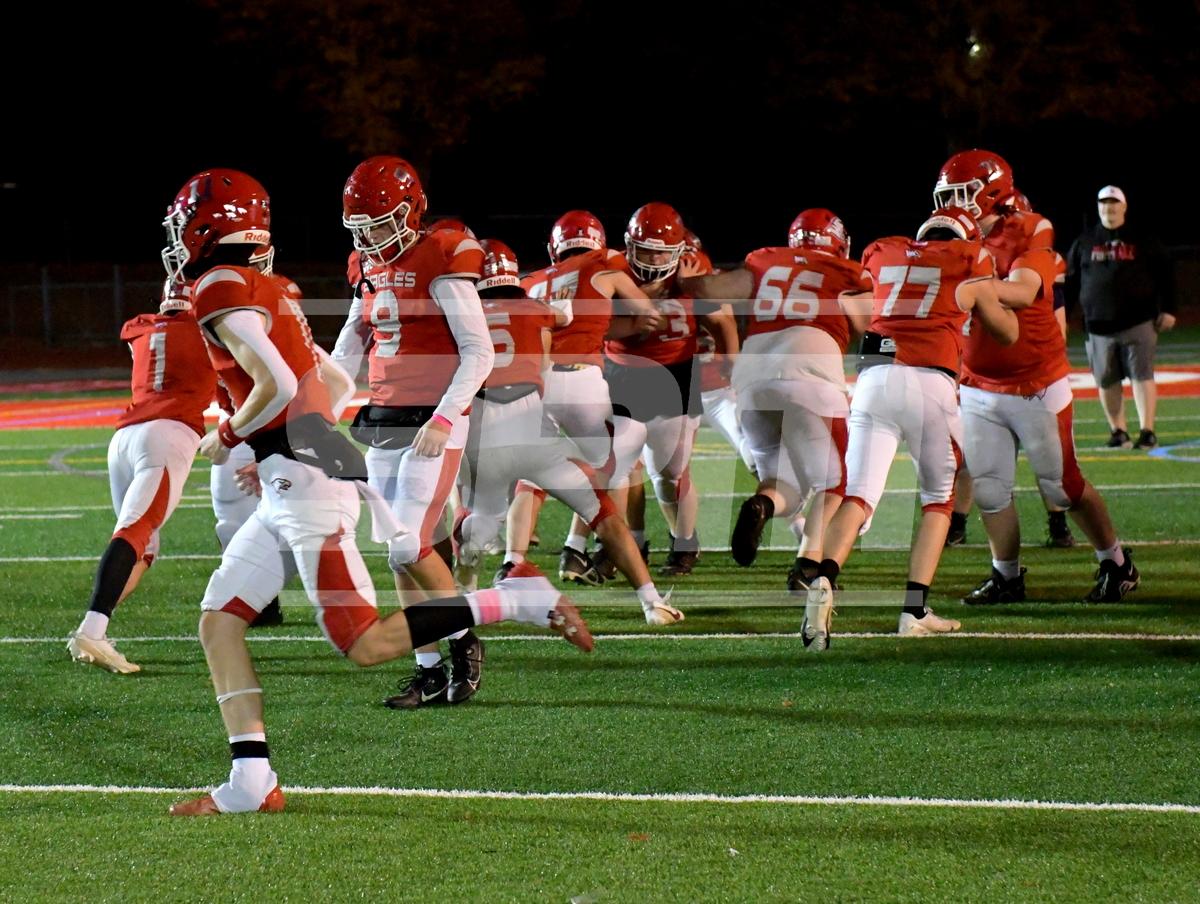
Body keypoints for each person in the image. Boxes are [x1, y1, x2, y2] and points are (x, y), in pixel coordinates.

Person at [161, 168, 592, 816]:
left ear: (203, 229)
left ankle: (513, 600)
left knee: (362, 642)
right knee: (219, 622)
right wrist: (271, 445)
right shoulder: (269, 286)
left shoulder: (220, 285)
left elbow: (278, 385)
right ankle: (251, 780)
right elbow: (327, 382)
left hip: (306, 489)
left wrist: (230, 434)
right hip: (293, 476)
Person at [803, 207, 1018, 651]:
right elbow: (1006, 332)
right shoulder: (968, 261)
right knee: (938, 500)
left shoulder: (885, 253)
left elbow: (852, 303)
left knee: (858, 495)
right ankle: (914, 610)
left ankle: (824, 577)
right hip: (930, 381)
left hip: (874, 378)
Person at [335, 156, 495, 708]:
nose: (370, 238)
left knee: (408, 542)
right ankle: (427, 668)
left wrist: (445, 417)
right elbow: (350, 343)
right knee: (395, 551)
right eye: (361, 228)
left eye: (380, 224)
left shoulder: (441, 255)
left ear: (411, 212)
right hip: (385, 416)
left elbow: (479, 351)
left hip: (434, 417)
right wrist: (318, 403)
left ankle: (464, 638)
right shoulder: (367, 265)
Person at [66, 279, 216, 674]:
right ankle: (92, 630)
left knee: (144, 546)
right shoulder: (208, 328)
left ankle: (93, 624)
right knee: (134, 533)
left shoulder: (140, 327)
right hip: (167, 434)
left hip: (125, 437)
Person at [1066, 185, 1176, 449]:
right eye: (1104, 203)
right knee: (1106, 379)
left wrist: (1169, 308)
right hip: (1098, 324)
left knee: (1142, 375)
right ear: (1098, 207)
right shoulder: (1085, 241)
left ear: (1124, 207)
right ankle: (1118, 431)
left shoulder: (1143, 238)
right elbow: (1070, 282)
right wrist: (1064, 316)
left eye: (1114, 203)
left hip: (1138, 320)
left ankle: (1147, 430)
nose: (1109, 208)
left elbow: (1166, 274)